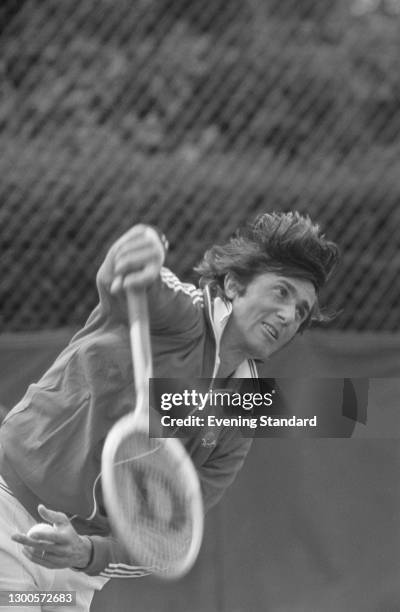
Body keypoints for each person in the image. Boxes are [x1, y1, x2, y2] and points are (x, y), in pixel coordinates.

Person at [0, 211, 339, 611]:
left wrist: (87, 553)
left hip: (73, 566)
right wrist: (142, 246)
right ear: (233, 284)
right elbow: (127, 276)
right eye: (281, 292)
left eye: (300, 311)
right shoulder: (179, 315)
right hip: (11, 513)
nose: (288, 316)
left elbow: (166, 536)